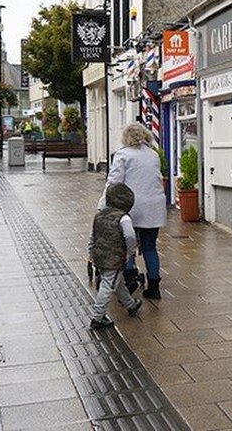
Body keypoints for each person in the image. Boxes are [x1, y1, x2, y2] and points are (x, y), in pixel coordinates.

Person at [100, 123, 167, 299]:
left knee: (127, 246)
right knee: (150, 246)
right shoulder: (153, 155)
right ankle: (154, 288)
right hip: (153, 207)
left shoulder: (123, 155)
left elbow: (114, 182)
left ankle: (130, 282)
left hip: (131, 208)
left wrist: (103, 204)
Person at [89, 183, 143, 329]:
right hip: (115, 259)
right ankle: (97, 318)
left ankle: (131, 305)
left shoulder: (99, 216)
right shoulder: (124, 218)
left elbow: (92, 237)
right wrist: (129, 253)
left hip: (100, 257)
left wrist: (91, 254)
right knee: (108, 286)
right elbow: (130, 236)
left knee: (118, 283)